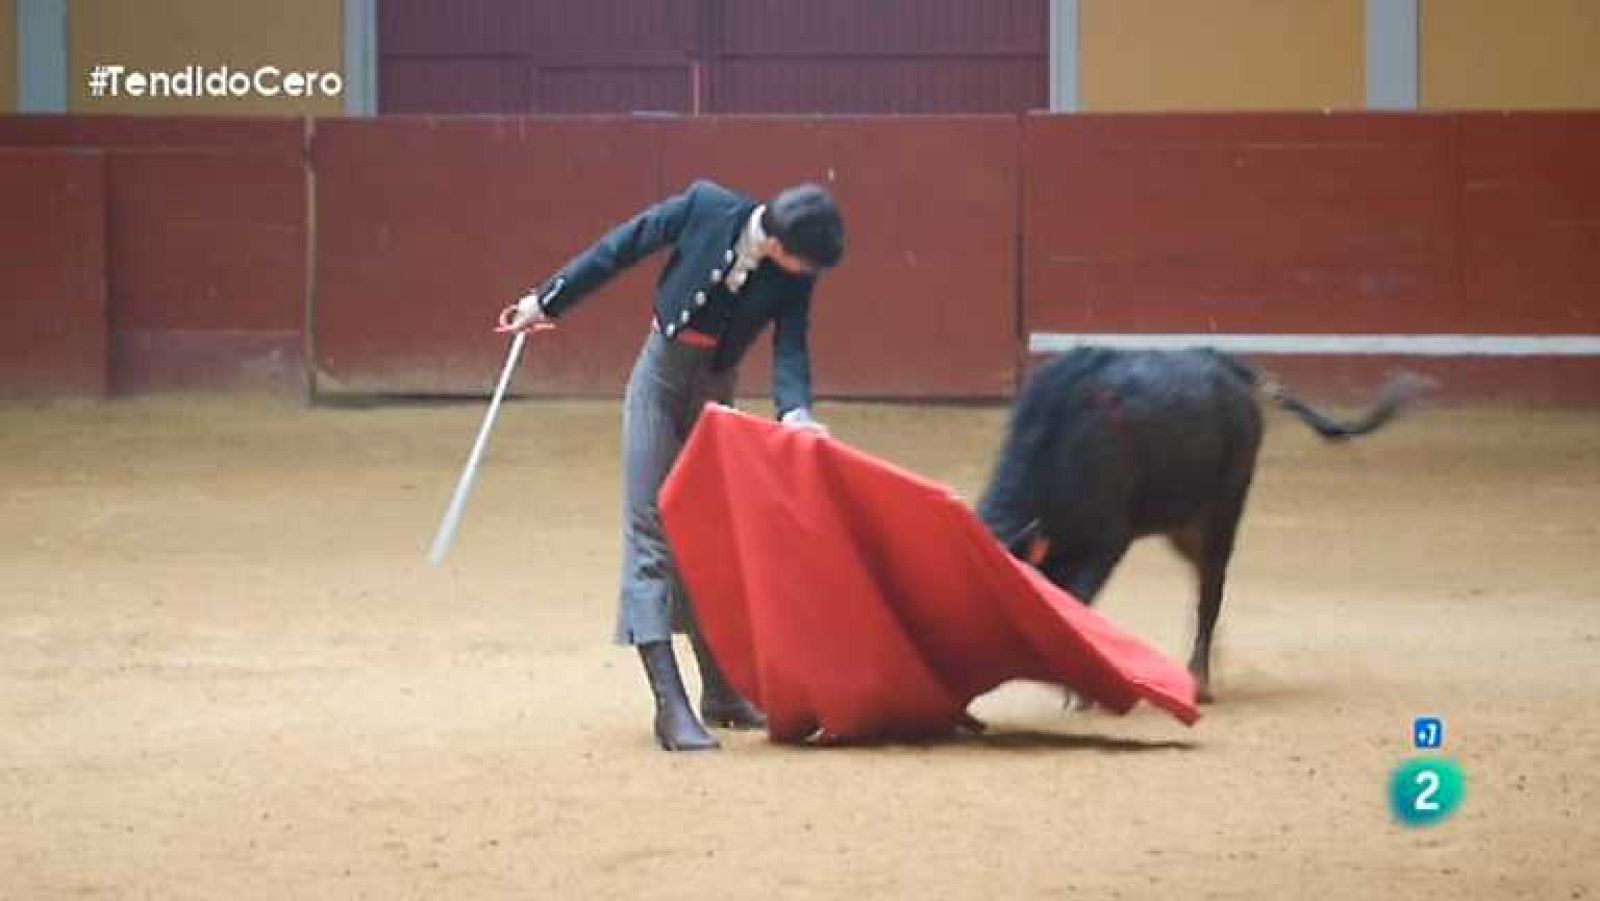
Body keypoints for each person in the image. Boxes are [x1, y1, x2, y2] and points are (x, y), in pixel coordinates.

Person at [500, 180, 846, 751]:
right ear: (781, 244)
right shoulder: (705, 207)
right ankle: (670, 705)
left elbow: (792, 346)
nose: (806, 273)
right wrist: (544, 302)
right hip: (658, 385)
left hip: (715, 396)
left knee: (706, 538)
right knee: (651, 534)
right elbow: (620, 248)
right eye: (804, 262)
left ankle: (719, 692)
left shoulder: (793, 273)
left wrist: (797, 413)